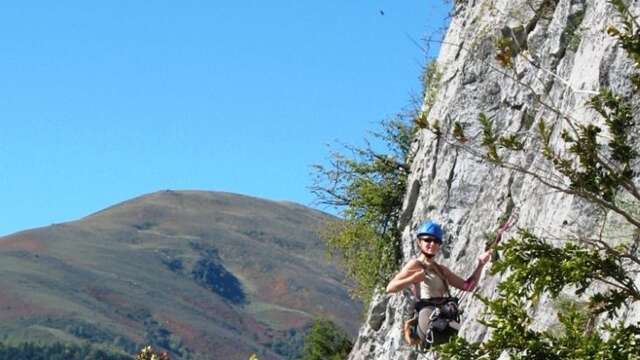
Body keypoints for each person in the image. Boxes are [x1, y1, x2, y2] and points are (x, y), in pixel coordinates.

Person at [386, 220, 492, 346]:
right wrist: (413, 278)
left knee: (461, 340)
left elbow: (467, 286)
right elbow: (390, 287)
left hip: (444, 314)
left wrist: (480, 265)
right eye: (427, 240)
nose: (432, 244)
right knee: (448, 337)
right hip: (428, 314)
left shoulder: (441, 270)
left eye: (436, 241)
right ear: (419, 242)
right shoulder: (415, 265)